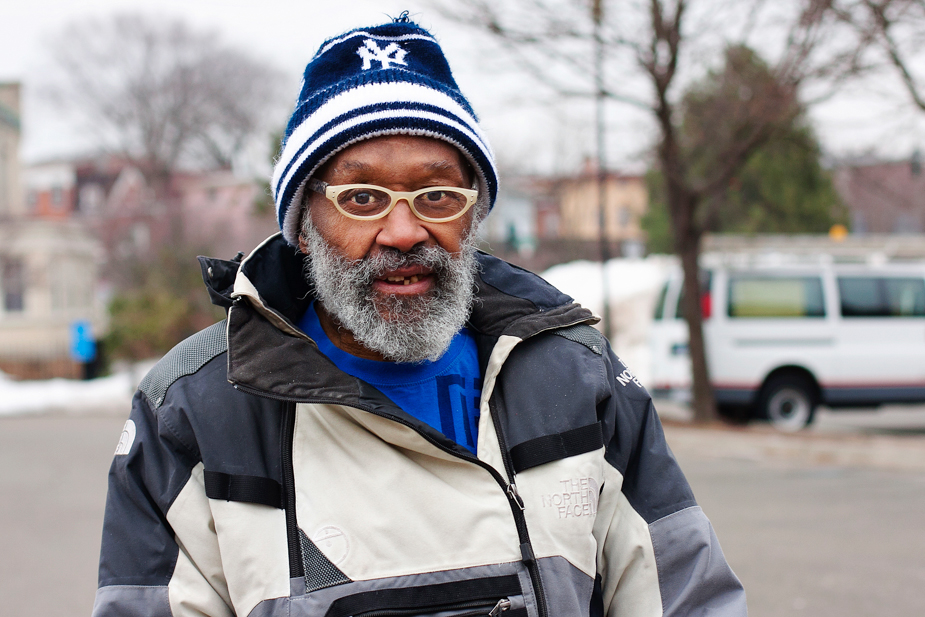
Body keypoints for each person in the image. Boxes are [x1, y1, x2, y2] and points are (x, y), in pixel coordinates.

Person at [92, 14, 746, 617]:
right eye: (362, 196)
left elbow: (683, 597)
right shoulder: (197, 410)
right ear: (302, 226)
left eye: (436, 194)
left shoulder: (575, 377)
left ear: (472, 214)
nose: (404, 231)